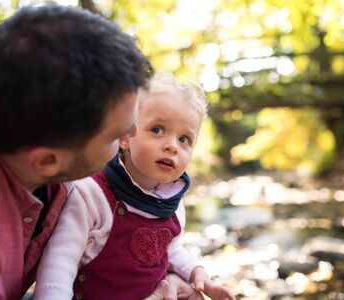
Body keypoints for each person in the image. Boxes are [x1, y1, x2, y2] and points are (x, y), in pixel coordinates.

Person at [0, 5, 155, 299]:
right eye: (116, 136)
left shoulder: (32, 133)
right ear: (47, 161)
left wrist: (167, 276)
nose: (132, 135)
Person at [34, 75, 236, 300]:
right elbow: (59, 263)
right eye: (158, 129)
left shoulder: (172, 204)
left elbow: (170, 250)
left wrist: (196, 272)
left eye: (184, 139)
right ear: (125, 136)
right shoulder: (91, 194)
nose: (171, 146)